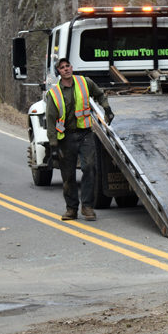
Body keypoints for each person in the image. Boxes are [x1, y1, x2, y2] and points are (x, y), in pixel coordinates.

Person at [46, 58, 114, 221]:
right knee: (68, 175)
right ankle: (71, 209)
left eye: (67, 66)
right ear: (59, 73)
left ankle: (87, 207)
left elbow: (99, 94)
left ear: (71, 67)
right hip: (66, 138)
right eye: (62, 68)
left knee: (89, 167)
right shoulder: (54, 94)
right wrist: (53, 145)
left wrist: (107, 109)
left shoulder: (85, 82)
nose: (66, 69)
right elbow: (50, 119)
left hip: (85, 134)